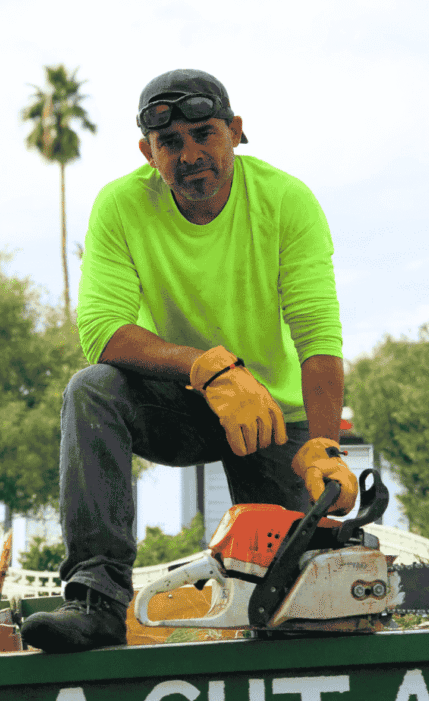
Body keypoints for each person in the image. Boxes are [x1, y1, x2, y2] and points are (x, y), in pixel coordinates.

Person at [21, 69, 357, 653]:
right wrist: (210, 368)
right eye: (171, 143)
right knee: (91, 389)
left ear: (236, 133)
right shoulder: (121, 206)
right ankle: (97, 601)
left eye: (204, 134)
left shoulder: (287, 200)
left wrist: (325, 448)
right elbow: (101, 330)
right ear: (149, 153)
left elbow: (318, 333)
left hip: (273, 417)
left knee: (290, 604)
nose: (191, 155)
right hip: (180, 403)